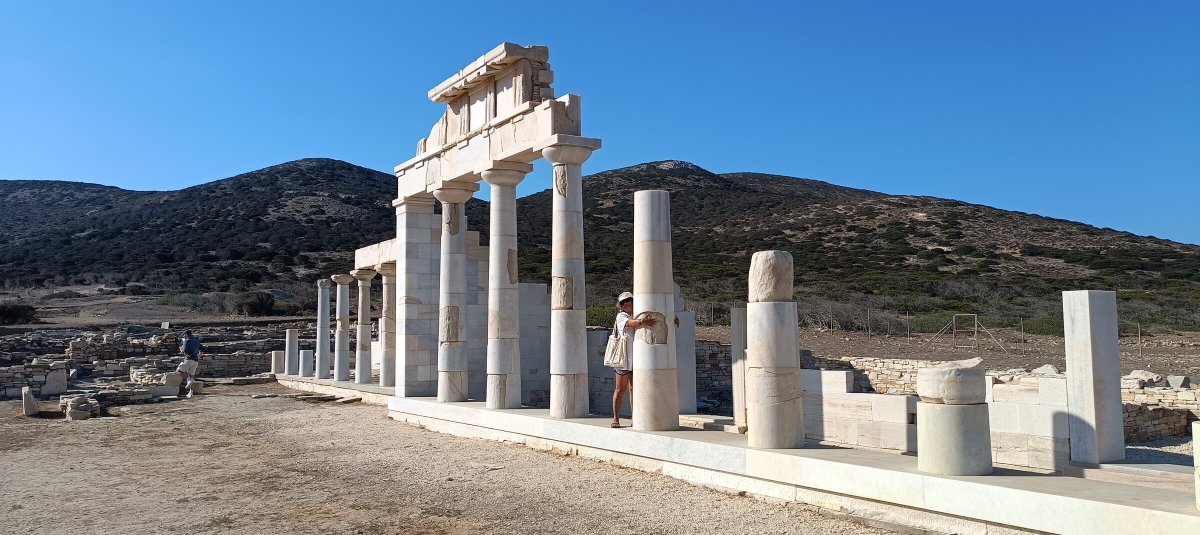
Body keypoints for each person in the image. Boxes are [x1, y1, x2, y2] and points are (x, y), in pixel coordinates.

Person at [612, 291, 656, 428]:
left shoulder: (637, 313)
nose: (626, 304)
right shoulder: (622, 316)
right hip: (624, 359)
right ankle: (616, 418)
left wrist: (674, 318)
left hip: (637, 359)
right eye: (623, 302)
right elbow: (628, 324)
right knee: (620, 390)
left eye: (628, 300)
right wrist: (641, 321)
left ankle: (635, 418)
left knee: (634, 389)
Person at [177, 330, 203, 397]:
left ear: (186, 335)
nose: (183, 336)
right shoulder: (196, 341)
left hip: (188, 359)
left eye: (184, 335)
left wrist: (181, 349)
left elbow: (185, 351)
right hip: (195, 360)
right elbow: (202, 349)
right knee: (192, 376)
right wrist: (198, 356)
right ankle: (190, 393)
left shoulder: (187, 341)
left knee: (178, 371)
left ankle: (189, 379)